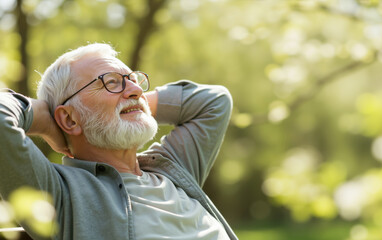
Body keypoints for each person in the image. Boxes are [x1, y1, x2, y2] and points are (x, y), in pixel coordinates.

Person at [0, 43, 237, 240]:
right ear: (69, 118)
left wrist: (136, 101)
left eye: (133, 79)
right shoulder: (60, 193)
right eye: (111, 82)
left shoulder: (173, 168)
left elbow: (215, 101)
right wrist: (46, 119)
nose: (135, 89)